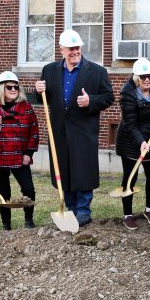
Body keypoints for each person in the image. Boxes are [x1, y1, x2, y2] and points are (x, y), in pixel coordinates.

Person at [35, 29, 115, 227]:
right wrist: (38, 91)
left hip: (83, 131)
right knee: (65, 170)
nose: (75, 52)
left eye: (77, 48)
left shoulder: (97, 72)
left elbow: (108, 97)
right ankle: (69, 209)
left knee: (82, 170)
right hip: (59, 132)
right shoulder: (49, 70)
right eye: (70, 49)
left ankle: (83, 211)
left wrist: (91, 101)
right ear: (61, 49)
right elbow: (43, 99)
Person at [0, 71, 39, 231]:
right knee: (3, 192)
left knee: (29, 189)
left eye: (16, 87)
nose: (13, 89)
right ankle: (6, 224)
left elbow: (34, 132)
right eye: (9, 87)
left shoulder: (27, 109)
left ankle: (29, 220)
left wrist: (28, 154)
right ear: (0, 89)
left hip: (20, 158)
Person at [115, 58, 150, 230]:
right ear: (136, 77)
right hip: (131, 141)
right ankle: (128, 215)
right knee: (130, 177)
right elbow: (130, 124)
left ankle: (149, 209)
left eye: (149, 76)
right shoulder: (128, 95)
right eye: (143, 76)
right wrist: (141, 142)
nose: (147, 79)